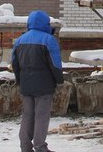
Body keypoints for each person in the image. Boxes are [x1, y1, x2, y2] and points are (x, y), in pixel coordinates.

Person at [13, 10, 64, 152]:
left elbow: (15, 64)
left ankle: (25, 146)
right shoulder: (49, 40)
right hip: (44, 86)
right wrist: (59, 80)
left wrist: (19, 81)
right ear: (44, 23)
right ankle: (40, 146)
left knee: (27, 115)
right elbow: (55, 64)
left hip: (26, 85)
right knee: (41, 116)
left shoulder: (20, 40)